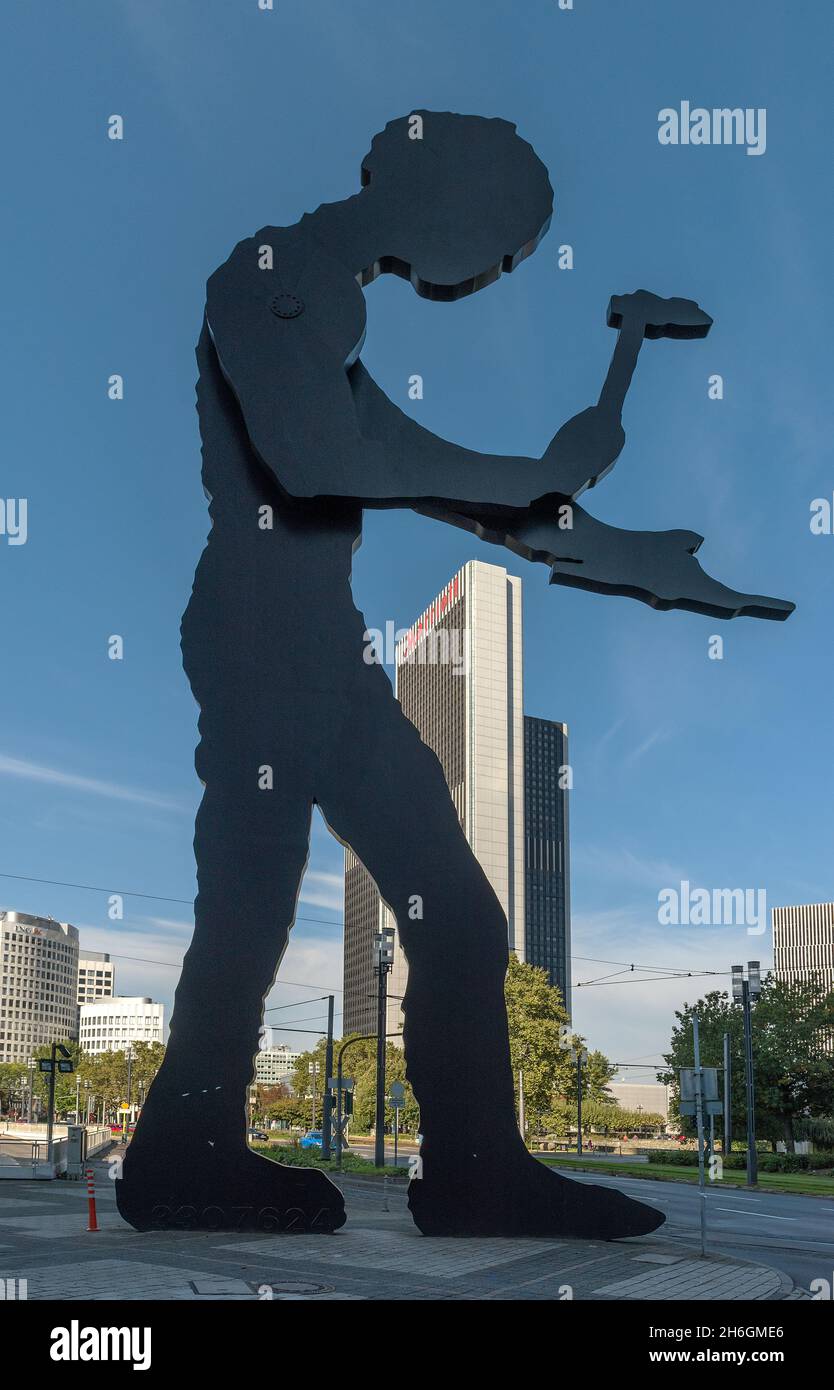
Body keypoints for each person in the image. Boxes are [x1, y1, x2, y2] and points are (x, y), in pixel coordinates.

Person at [116, 112, 791, 1239]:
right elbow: (316, 455)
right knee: (249, 901)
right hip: (261, 635)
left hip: (322, 648)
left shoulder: (335, 328)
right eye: (494, 240)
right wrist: (530, 471)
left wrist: (655, 565)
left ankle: (478, 1169)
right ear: (438, 199)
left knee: (458, 913)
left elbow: (464, 496)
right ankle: (186, 1150)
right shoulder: (274, 270)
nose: (489, 269)